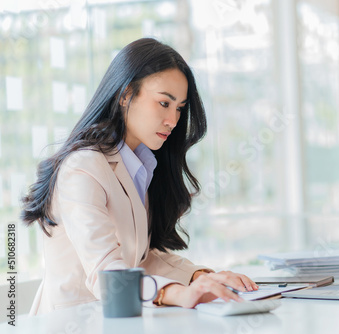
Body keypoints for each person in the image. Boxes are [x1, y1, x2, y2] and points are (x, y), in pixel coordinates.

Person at [21, 37, 257, 315]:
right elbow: (108, 274)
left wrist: (198, 276)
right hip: (71, 322)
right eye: (164, 103)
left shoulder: (139, 165)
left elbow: (139, 260)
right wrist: (176, 292)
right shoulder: (82, 168)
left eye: (180, 108)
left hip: (119, 319)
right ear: (125, 94)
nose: (173, 120)